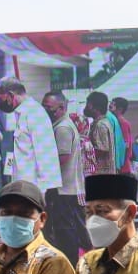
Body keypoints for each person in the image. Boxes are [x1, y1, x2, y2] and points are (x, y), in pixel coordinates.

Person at [41, 90, 92, 263]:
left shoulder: (62, 128)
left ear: (61, 107)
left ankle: (70, 265)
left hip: (63, 189)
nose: (46, 111)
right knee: (72, 229)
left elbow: (62, 158)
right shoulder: (61, 124)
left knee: (65, 232)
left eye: (49, 108)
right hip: (68, 188)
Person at [0, 77, 60, 198]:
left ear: (10, 95)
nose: (0, 104)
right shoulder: (22, 113)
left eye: (1, 99)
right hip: (24, 188)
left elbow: (45, 154)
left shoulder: (34, 113)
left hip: (34, 190)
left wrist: (43, 193)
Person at [85, 91, 116, 175]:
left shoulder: (100, 125)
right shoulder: (102, 122)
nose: (86, 107)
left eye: (88, 104)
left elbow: (101, 150)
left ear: (95, 107)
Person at [110, 97, 135, 174]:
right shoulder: (113, 121)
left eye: (112, 105)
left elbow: (125, 145)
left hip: (121, 168)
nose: (109, 107)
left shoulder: (122, 123)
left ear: (120, 109)